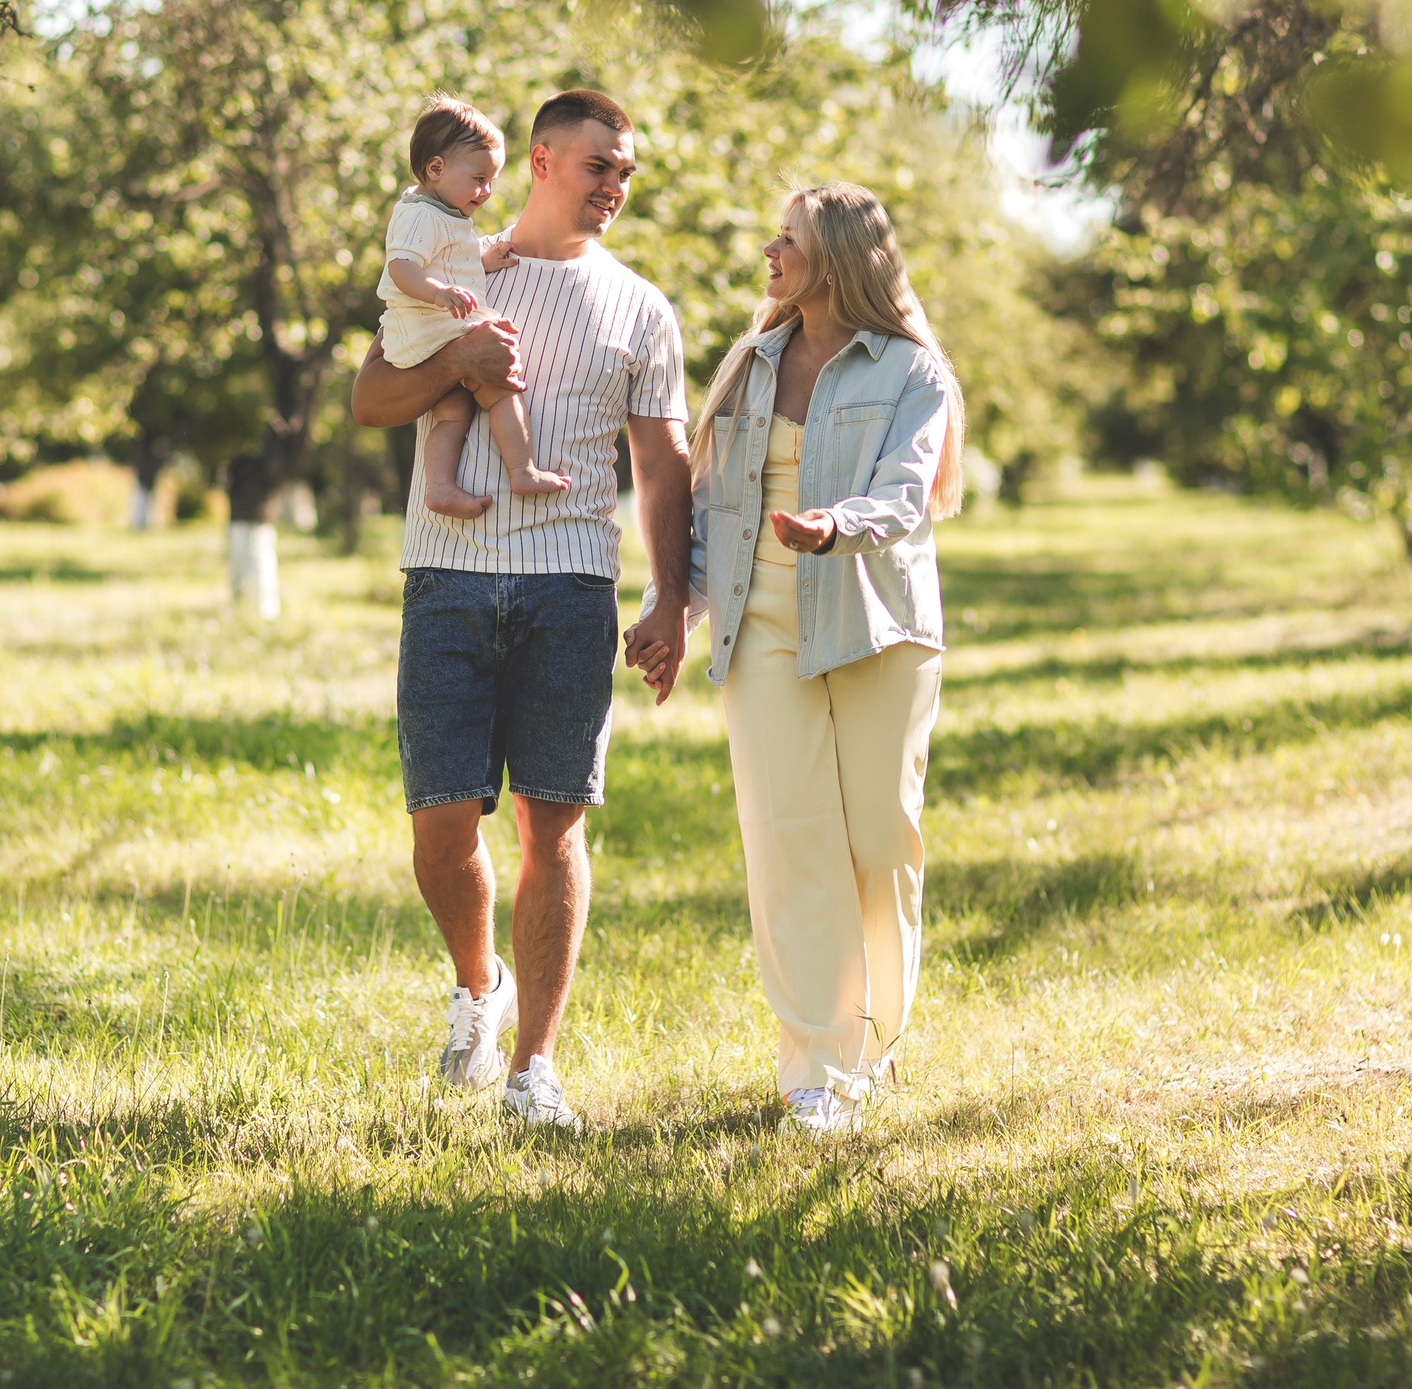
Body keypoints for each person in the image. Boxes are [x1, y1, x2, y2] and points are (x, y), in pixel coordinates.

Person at [351, 88, 692, 1132]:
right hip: (445, 575)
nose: (616, 186)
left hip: (568, 585)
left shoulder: (641, 307)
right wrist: (454, 360)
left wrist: (674, 594)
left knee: (556, 821)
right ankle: (477, 979)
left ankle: (533, 1066)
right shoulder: (456, 262)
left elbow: (662, 464)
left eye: (626, 171)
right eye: (600, 166)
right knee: (441, 820)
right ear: (540, 159)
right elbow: (371, 400)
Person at [648, 182, 964, 1137]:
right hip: (765, 625)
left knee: (881, 840)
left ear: (836, 258)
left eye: (786, 239)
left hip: (877, 619)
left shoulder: (913, 371)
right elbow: (713, 508)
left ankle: (875, 1042)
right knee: (791, 839)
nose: (769, 253)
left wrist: (837, 525)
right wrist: (679, 609)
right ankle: (818, 1067)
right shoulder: (750, 363)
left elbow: (907, 492)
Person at [375, 95, 571, 519]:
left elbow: (447, 263)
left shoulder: (443, 213)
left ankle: (441, 488)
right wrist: (438, 293)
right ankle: (523, 470)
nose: (487, 191)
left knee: (452, 413)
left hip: (428, 333)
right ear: (436, 168)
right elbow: (401, 268)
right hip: (432, 328)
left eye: (492, 180)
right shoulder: (418, 216)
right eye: (479, 178)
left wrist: (481, 262)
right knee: (500, 385)